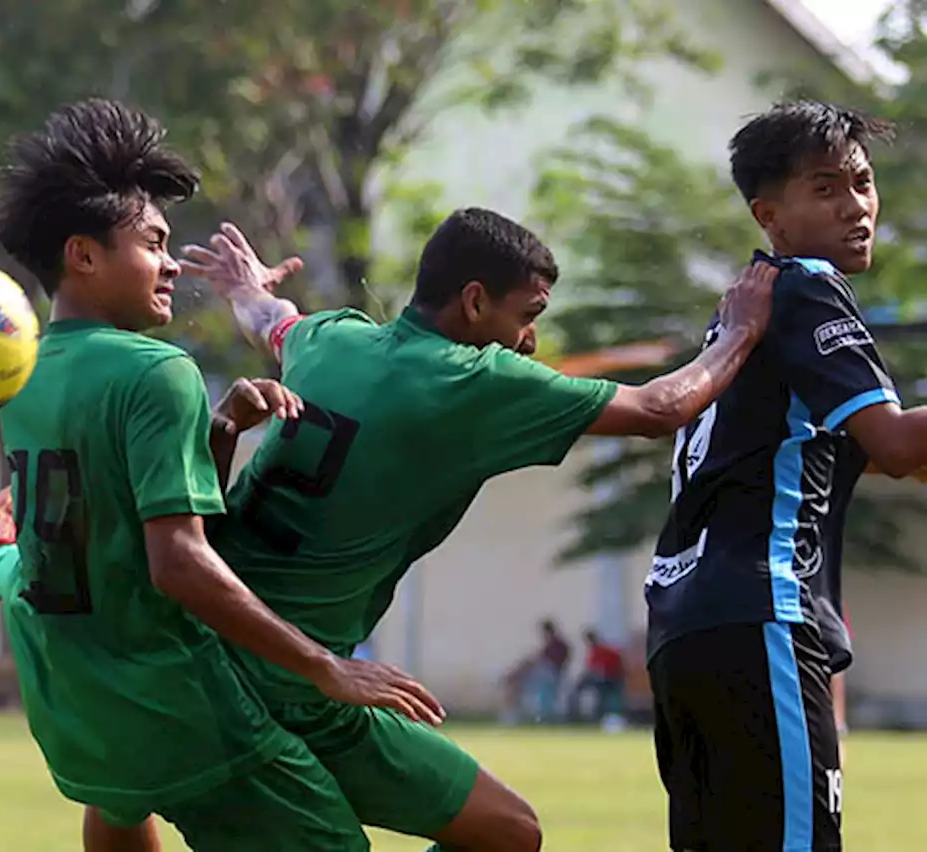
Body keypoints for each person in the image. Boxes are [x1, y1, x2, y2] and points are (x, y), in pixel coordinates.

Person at [156, 209, 778, 852]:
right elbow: (660, 408)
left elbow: (272, 321)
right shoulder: (473, 381)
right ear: (475, 302)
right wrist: (739, 330)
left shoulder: (331, 338)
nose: (531, 339)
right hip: (264, 682)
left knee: (508, 832)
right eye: (527, 314)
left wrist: (244, 289)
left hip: (301, 676)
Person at [0, 97, 443, 852]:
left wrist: (218, 435)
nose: (168, 264)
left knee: (120, 814)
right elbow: (180, 562)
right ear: (83, 254)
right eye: (153, 243)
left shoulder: (21, 376)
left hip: (77, 710)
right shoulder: (155, 369)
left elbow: (111, 534)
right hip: (186, 713)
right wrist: (327, 668)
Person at [643, 100, 927, 852]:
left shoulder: (750, 307)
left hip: (685, 629)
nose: (856, 207)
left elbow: (891, 460)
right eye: (826, 188)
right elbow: (899, 443)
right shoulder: (805, 286)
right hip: (761, 615)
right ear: (769, 213)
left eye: (862, 184)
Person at [570, 629, 625, 724]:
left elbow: (594, 669)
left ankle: (583, 716)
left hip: (607, 681)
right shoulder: (606, 650)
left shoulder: (599, 651)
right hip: (611, 681)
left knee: (599, 698)